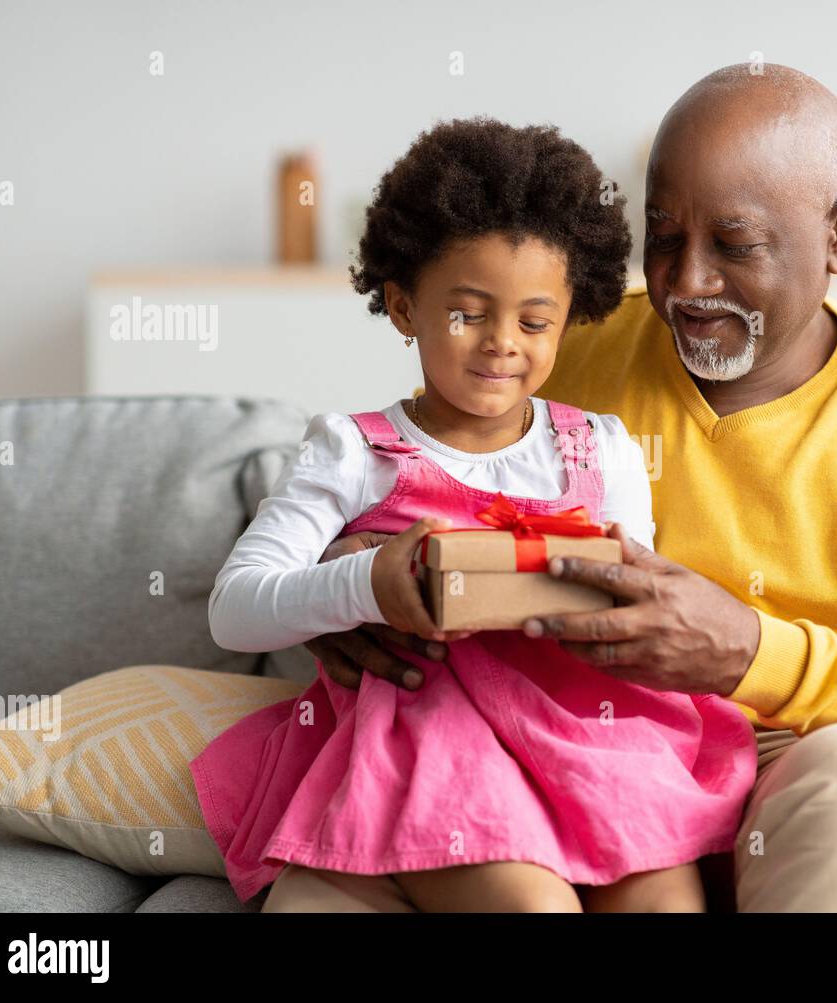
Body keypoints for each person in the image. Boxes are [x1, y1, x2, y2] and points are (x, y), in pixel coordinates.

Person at [298, 64, 837, 913]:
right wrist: (346, 576)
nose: (686, 283)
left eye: (735, 244)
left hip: (800, 768)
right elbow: (398, 467)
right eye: (663, 236)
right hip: (576, 753)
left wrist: (746, 652)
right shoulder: (565, 345)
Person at [189, 116, 759, 913]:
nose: (501, 343)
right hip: (436, 746)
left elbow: (641, 589)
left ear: (568, 320)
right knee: (531, 904)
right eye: (467, 313)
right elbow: (234, 608)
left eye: (534, 321)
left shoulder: (603, 449)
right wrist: (367, 583)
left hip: (592, 739)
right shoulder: (355, 450)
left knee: (666, 901)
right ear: (401, 306)